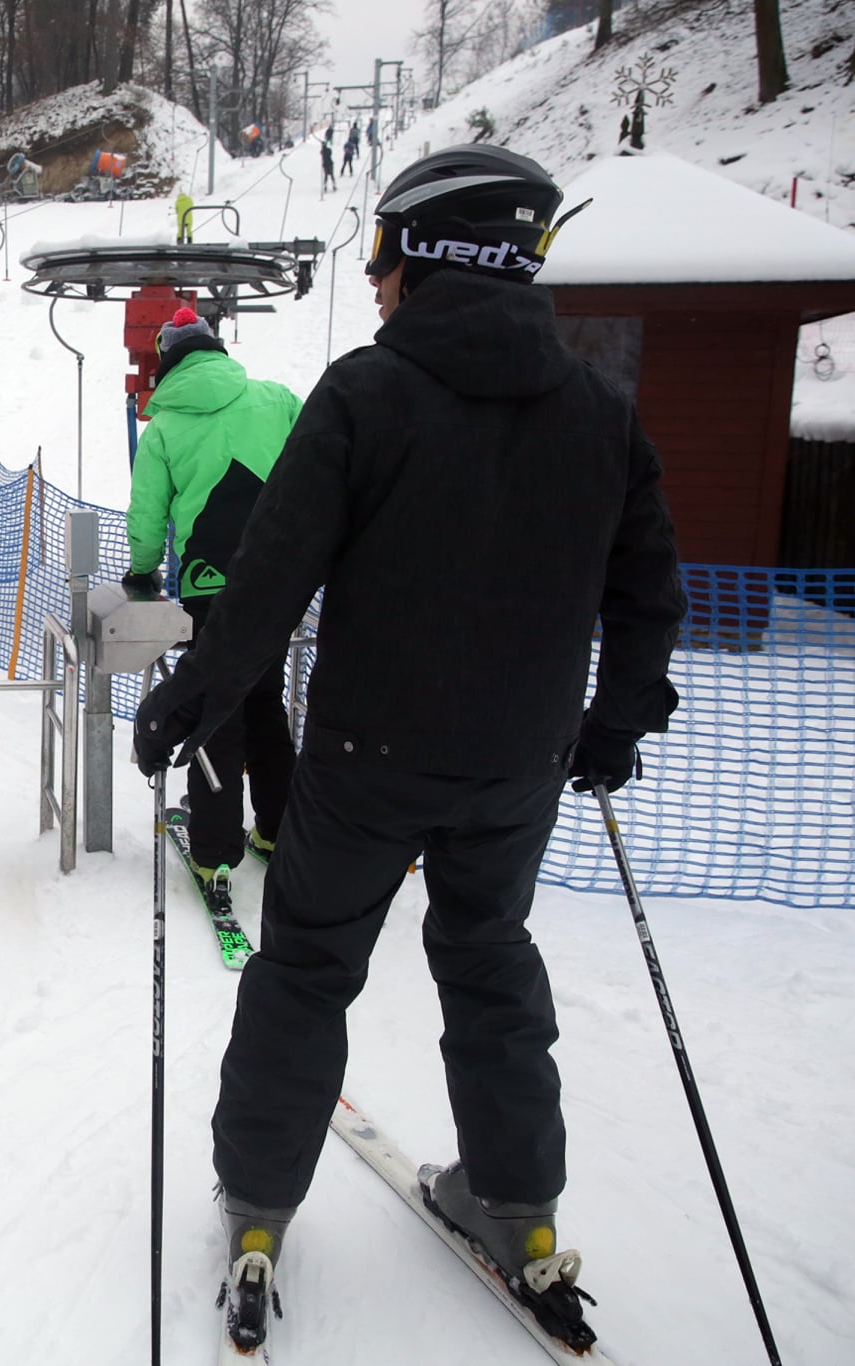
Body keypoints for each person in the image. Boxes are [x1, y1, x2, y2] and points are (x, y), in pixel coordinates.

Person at [133, 145, 681, 1352]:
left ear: (435, 249)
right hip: (516, 766)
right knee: (486, 964)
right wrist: (615, 717)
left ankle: (260, 1202)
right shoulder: (594, 410)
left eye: (381, 252)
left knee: (305, 969)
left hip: (366, 761)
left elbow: (270, 577)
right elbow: (647, 587)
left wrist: (193, 699)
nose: (374, 281)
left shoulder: (366, 394)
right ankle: (517, 1203)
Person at [123, 307, 302, 914]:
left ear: (169, 362)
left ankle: (215, 851)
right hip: (278, 580)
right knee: (265, 700)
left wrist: (144, 568)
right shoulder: (276, 399)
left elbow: (148, 517)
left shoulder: (165, 427)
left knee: (215, 712)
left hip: (208, 585)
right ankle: (278, 830)